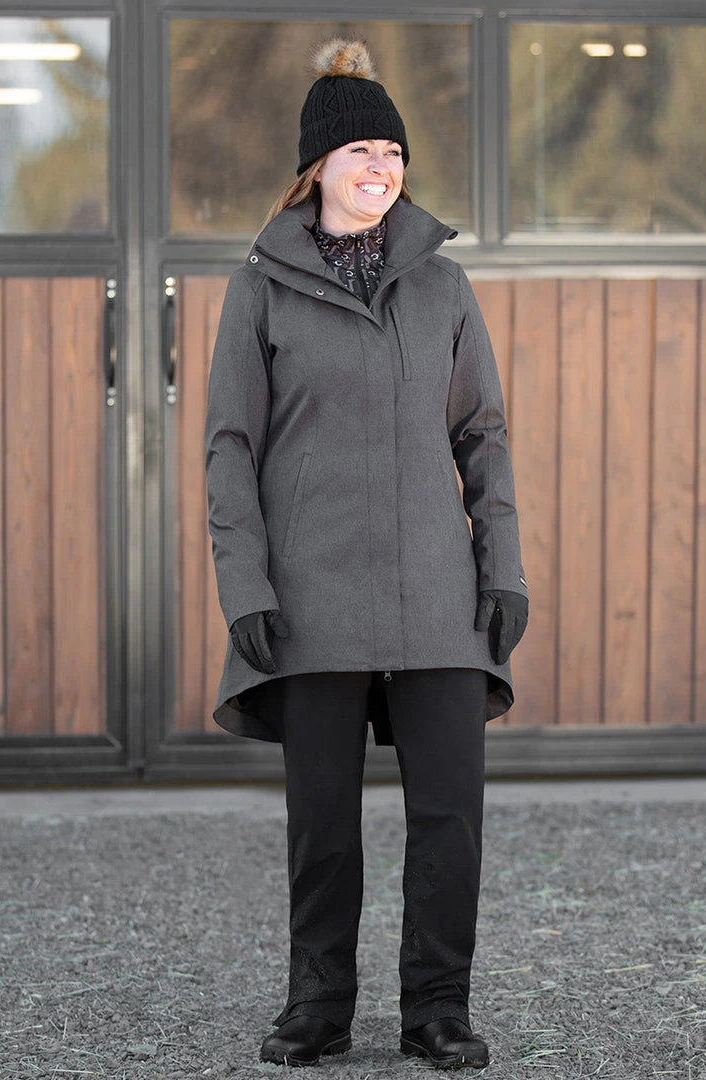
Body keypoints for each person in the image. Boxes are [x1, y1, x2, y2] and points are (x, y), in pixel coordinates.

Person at [204, 38, 529, 1069]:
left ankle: (439, 1008)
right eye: (360, 151)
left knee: (451, 816)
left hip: (436, 590)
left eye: (392, 151)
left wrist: (503, 567)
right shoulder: (260, 288)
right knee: (323, 824)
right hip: (312, 595)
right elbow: (230, 446)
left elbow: (483, 436)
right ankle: (319, 1007)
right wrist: (244, 585)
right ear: (318, 167)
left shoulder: (444, 287)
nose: (380, 167)